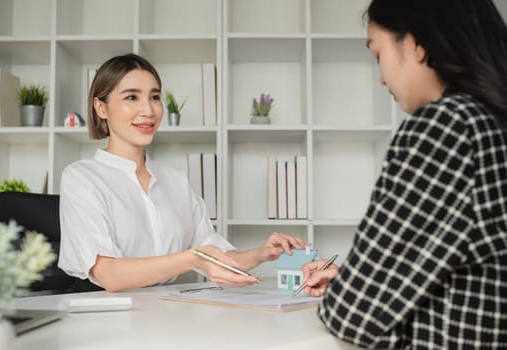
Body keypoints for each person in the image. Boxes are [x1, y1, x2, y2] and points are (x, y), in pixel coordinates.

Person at [301, 0, 507, 348]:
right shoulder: (490, 122)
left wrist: (351, 289)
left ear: (415, 44)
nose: (381, 77)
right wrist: (354, 281)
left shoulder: (448, 127)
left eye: (378, 54)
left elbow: (353, 315)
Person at [58, 53, 307, 292]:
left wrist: (261, 253)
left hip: (166, 309)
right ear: (101, 108)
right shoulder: (82, 178)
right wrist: (194, 259)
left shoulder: (174, 179)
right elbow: (109, 274)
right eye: (131, 97)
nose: (148, 110)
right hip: (105, 316)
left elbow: (213, 254)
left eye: (155, 97)